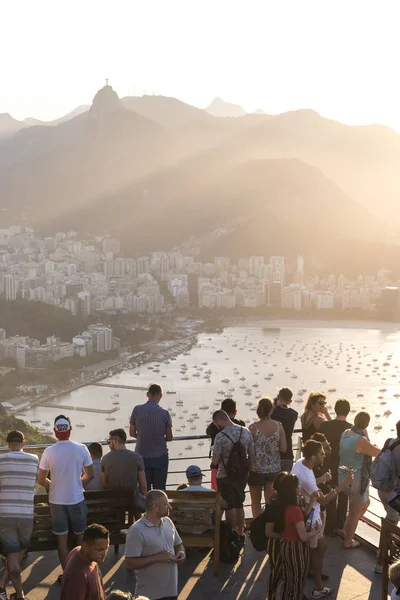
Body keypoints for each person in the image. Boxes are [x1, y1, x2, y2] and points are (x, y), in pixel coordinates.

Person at [292, 439, 354, 598]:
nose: (324, 454)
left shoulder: (301, 462)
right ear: (313, 456)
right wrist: (343, 484)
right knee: (319, 549)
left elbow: (309, 484)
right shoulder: (306, 475)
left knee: (320, 547)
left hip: (308, 512)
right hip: (312, 518)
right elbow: (325, 499)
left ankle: (311, 571)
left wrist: (320, 480)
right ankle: (317, 588)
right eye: (321, 453)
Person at [37, 415, 94, 576]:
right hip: (77, 498)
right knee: (80, 537)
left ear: (55, 431)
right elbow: (90, 475)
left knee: (61, 539)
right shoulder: (81, 448)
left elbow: (41, 479)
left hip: (56, 501)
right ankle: (83, 572)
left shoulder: (48, 451)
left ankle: (68, 574)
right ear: (70, 429)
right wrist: (76, 484)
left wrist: (53, 485)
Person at [125, 490, 186, 600]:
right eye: (166, 504)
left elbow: (178, 544)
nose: (170, 507)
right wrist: (158, 558)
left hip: (171, 591)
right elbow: (129, 563)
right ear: (156, 507)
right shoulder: (136, 530)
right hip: (148, 595)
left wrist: (181, 552)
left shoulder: (168, 522)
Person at [0, 431, 39, 600]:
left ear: (7, 445)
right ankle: (12, 591)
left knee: (13, 554)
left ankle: (16, 593)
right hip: (26, 514)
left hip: (6, 514)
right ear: (24, 444)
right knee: (19, 551)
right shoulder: (35, 459)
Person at [277, 474, 324, 600]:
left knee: (287, 578)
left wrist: (312, 501)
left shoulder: (283, 505)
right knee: (298, 580)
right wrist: (317, 530)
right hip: (296, 549)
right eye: (297, 485)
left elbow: (299, 518)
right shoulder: (295, 510)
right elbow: (303, 537)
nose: (299, 487)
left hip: (285, 544)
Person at [338, 411, 379, 550]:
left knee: (365, 503)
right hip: (355, 480)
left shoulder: (345, 433)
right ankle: (348, 541)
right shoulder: (361, 439)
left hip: (343, 476)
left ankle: (345, 529)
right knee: (355, 512)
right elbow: (376, 452)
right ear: (366, 424)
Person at [211, 410, 255, 537]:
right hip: (242, 475)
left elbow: (216, 460)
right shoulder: (245, 431)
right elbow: (251, 454)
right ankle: (241, 532)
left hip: (225, 475)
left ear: (219, 421)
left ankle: (232, 533)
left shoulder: (220, 436)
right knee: (239, 503)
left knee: (229, 505)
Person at [129, 384, 173, 491]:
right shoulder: (165, 414)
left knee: (144, 489)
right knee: (160, 490)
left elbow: (131, 433)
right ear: (160, 396)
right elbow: (170, 437)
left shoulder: (137, 410)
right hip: (160, 456)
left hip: (141, 456)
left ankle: (145, 507)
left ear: (147, 394)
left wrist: (142, 436)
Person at [248, 397, 287, 517]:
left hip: (256, 469)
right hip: (274, 469)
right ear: (271, 410)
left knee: (255, 503)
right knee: (270, 503)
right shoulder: (279, 426)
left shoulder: (253, 428)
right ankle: (269, 529)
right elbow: (284, 448)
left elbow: (249, 450)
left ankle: (257, 529)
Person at [319, 399, 352, 534]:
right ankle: (341, 524)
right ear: (348, 411)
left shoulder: (326, 426)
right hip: (344, 465)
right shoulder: (351, 429)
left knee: (330, 492)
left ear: (336, 409)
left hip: (327, 464)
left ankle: (330, 525)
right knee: (343, 494)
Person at [60, 523, 109, 600]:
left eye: (106, 548)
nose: (104, 553)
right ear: (85, 546)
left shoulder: (78, 550)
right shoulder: (78, 576)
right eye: (100, 550)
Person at [376, 420, 400, 573]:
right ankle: (381, 562)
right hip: (393, 493)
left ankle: (381, 554)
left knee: (390, 521)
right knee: (391, 523)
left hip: (382, 489)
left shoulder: (389, 441)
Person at [206, 398, 246, 490]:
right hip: (238, 467)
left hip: (219, 465)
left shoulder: (215, 426)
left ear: (222, 411)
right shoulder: (241, 425)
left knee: (218, 492)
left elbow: (208, 431)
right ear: (235, 412)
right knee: (237, 493)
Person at [101, 429, 147, 499]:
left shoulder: (105, 459)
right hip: (132, 500)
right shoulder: (137, 457)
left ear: (114, 441)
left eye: (109, 441)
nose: (109, 445)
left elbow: (104, 484)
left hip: (113, 501)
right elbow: (143, 485)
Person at [272, 387, 298, 472]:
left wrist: (274, 403)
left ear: (278, 397)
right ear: (290, 401)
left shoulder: (272, 413)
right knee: (286, 483)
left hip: (274, 453)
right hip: (288, 453)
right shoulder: (294, 414)